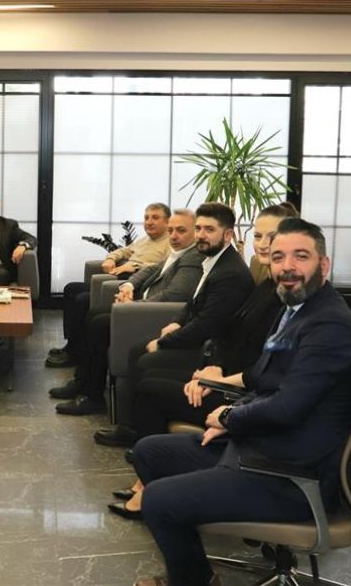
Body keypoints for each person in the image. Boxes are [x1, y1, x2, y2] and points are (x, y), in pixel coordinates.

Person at [131, 218, 351, 586]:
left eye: (301, 256)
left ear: (324, 265)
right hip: (259, 448)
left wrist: (228, 417)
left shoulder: (328, 326)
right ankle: (197, 571)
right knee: (150, 452)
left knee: (159, 500)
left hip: (289, 475)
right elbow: (261, 378)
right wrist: (231, 414)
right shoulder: (295, 310)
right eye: (279, 257)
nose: (287, 266)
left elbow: (288, 407)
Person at [105, 203, 297, 520]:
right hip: (230, 377)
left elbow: (266, 366)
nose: (263, 244)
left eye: (272, 237)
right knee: (148, 376)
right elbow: (232, 333)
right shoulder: (267, 286)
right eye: (258, 236)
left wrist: (219, 379)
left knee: (151, 388)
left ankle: (147, 486)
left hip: (242, 397)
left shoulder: (285, 297)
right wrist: (215, 365)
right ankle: (146, 481)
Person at [94, 202, 255, 448]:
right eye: (199, 228)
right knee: (137, 351)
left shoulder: (230, 273)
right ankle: (131, 427)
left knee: (147, 362)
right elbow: (193, 304)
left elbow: (206, 325)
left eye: (209, 230)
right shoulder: (212, 260)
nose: (201, 235)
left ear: (227, 235)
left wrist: (163, 342)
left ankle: (141, 437)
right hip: (204, 342)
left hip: (210, 351)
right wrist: (177, 322)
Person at [53, 209, 203, 415]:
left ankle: (93, 396)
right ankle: (82, 382)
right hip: (141, 307)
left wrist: (135, 305)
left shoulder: (193, 258)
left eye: (181, 230)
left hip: (155, 316)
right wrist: (128, 286)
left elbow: (173, 295)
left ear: (195, 231)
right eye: (171, 231)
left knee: (99, 324)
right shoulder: (178, 252)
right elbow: (151, 270)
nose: (174, 236)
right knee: (93, 314)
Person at [45, 202, 170, 368]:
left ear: (167, 221)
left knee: (83, 300)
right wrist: (111, 258)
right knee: (71, 289)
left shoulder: (170, 242)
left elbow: (165, 267)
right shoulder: (145, 239)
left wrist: (135, 266)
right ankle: (72, 345)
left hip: (133, 285)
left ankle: (76, 353)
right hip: (119, 279)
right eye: (146, 218)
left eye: (155, 218)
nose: (149, 222)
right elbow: (123, 251)